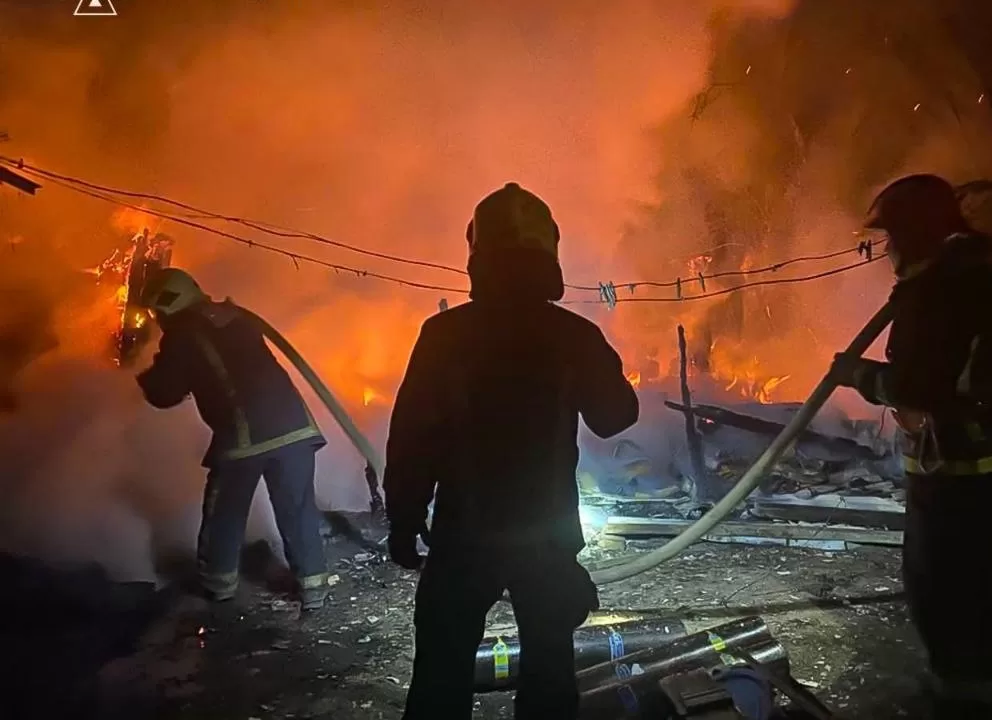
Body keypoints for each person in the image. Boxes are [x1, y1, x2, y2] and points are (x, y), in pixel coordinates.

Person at [384, 182, 640, 720]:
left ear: (478, 256)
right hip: (545, 540)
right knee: (549, 676)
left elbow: (412, 436)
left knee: (440, 677)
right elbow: (616, 417)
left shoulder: (443, 334)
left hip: (464, 535)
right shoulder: (573, 334)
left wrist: (404, 520)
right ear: (550, 254)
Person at [830, 174, 992, 717]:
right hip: (990, 456)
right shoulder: (978, 281)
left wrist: (857, 375)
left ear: (916, 234)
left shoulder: (933, 294)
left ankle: (959, 693)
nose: (887, 248)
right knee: (972, 576)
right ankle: (979, 679)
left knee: (935, 580)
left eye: (893, 234)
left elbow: (919, 384)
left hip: (955, 464)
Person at [135, 267, 329, 610]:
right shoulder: (235, 317)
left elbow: (164, 392)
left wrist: (144, 376)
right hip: (297, 429)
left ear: (165, 305)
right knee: (297, 509)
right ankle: (313, 587)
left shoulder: (183, 333)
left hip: (245, 436)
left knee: (225, 510)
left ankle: (218, 585)